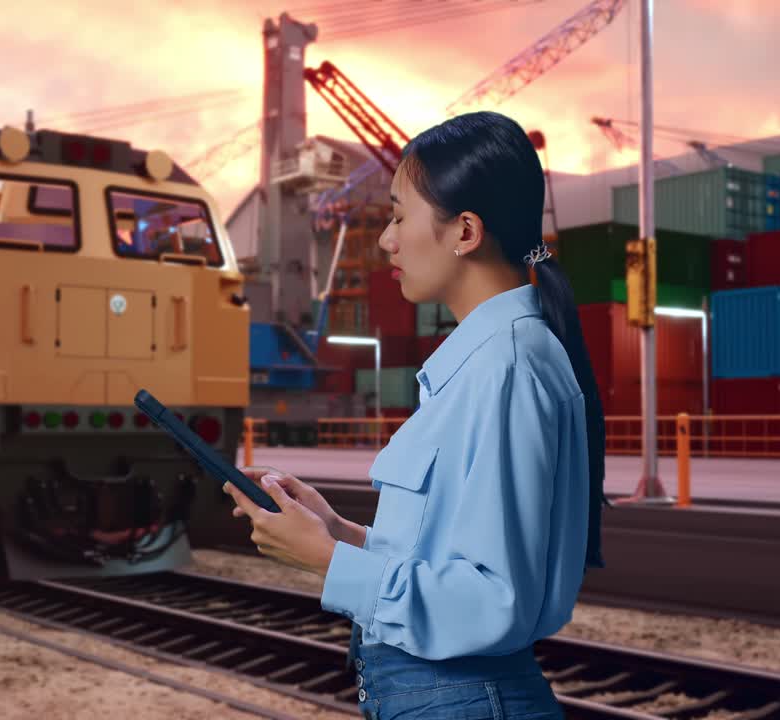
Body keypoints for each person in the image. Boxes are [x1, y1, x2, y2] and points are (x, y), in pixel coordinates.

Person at [223, 110, 608, 720]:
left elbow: (491, 600)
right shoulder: (489, 362)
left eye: (399, 215)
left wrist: (326, 562)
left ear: (465, 231)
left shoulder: (504, 369)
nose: (386, 239)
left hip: (462, 701)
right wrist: (341, 534)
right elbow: (451, 558)